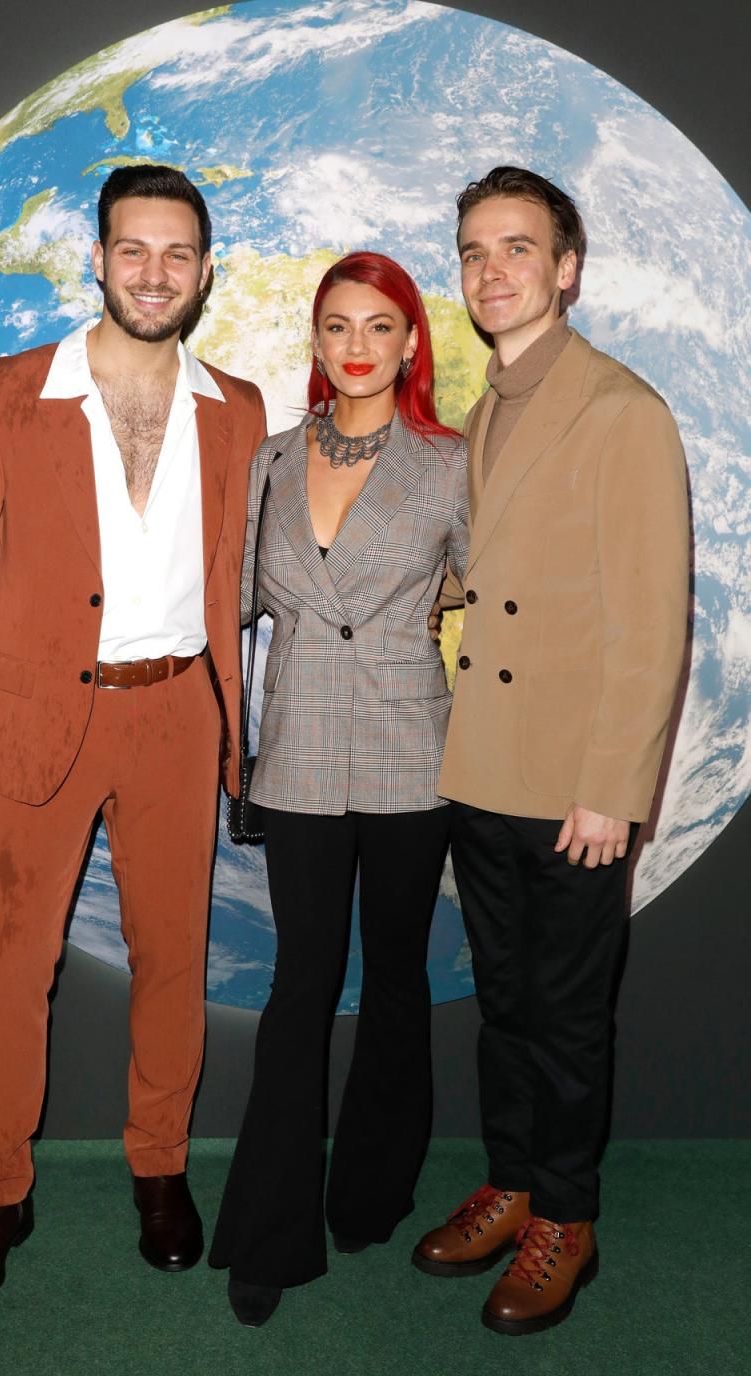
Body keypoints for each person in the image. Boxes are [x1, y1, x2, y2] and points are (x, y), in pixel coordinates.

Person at [0, 164, 266, 1309]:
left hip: (179, 718)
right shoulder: (12, 390)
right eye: (133, 249)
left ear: (204, 273)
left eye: (176, 254)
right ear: (98, 257)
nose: (153, 272)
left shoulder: (240, 408)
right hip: (31, 721)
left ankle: (160, 1171)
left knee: (173, 964)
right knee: (15, 971)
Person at [412, 167, 689, 1336]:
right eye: (475, 250)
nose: (494, 270)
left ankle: (565, 1216)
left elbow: (648, 621)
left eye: (518, 248)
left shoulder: (621, 409)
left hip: (574, 785)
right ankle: (515, 1178)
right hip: (486, 767)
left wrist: (611, 791)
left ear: (567, 267)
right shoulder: (485, 409)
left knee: (569, 1016)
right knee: (508, 1005)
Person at [208, 252, 469, 1327]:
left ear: (411, 341)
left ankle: (371, 1187)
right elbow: (231, 609)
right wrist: (228, 755)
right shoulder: (266, 461)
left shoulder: (452, 463)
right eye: (336, 326)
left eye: (379, 325)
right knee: (301, 988)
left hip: (415, 752)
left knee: (399, 983)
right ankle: (272, 1229)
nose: (357, 345)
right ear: (314, 341)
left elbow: (486, 588)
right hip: (303, 752)